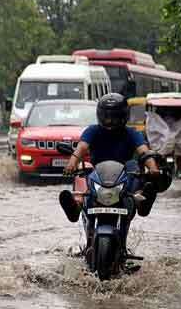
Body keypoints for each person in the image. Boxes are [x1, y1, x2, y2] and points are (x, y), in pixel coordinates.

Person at [59, 93, 165, 252]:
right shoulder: (92, 131)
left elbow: (144, 152)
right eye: (106, 117)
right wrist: (72, 163)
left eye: (114, 117)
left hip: (124, 178)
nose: (110, 121)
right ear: (100, 116)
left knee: (135, 171)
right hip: (98, 176)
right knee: (83, 175)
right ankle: (76, 205)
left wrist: (153, 168)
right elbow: (81, 148)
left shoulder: (132, 133)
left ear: (123, 116)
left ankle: (141, 200)